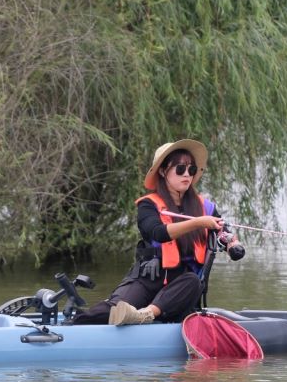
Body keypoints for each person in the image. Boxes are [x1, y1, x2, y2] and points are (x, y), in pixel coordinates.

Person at [73, 139, 245, 326]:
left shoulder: (206, 207)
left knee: (193, 281)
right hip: (147, 280)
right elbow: (157, 233)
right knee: (107, 312)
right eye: (180, 169)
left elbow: (223, 232)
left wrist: (232, 244)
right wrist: (197, 222)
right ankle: (73, 326)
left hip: (181, 287)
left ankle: (145, 314)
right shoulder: (148, 205)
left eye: (191, 170)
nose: (187, 174)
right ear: (163, 171)